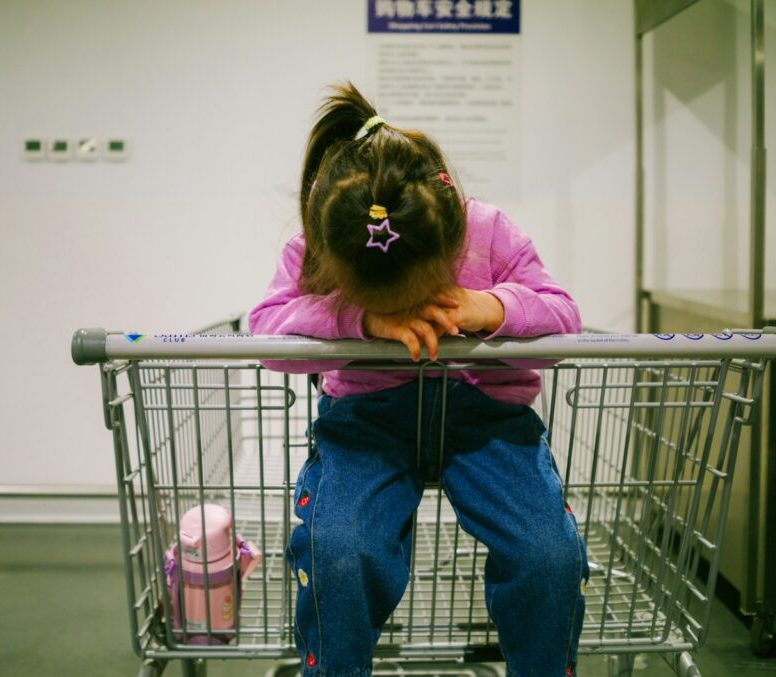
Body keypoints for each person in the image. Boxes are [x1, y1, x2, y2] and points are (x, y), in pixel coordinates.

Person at [248, 82, 588, 677]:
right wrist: (360, 320)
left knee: (548, 555)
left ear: (450, 240)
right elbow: (268, 334)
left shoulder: (487, 229)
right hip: (369, 421)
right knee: (339, 553)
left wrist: (494, 307)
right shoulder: (322, 240)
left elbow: (563, 316)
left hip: (487, 417)